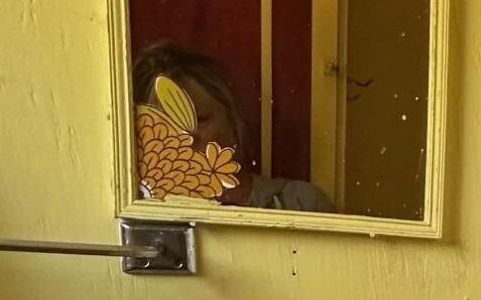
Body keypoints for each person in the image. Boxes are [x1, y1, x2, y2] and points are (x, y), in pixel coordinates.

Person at [131, 41, 333, 212]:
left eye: (200, 119)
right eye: (169, 127)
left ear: (233, 119)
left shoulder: (300, 204)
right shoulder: (146, 212)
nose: (186, 137)